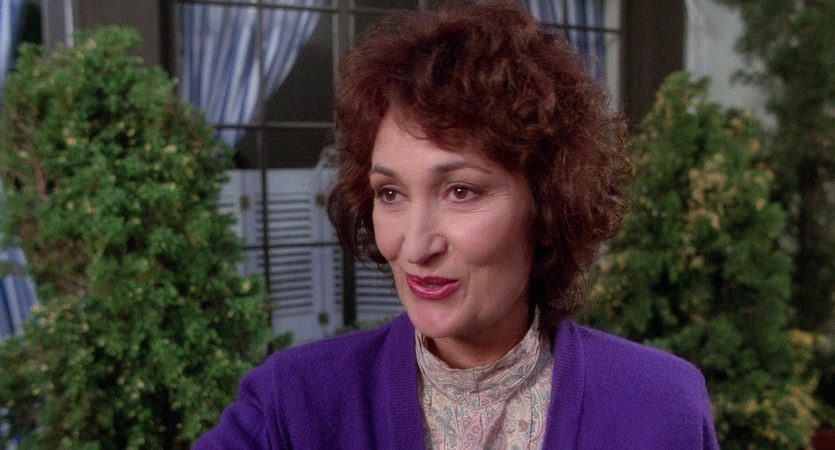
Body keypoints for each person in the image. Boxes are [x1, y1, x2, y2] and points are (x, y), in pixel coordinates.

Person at [194, 1, 720, 448]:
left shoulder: (659, 406)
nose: (416, 246)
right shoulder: (290, 406)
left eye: (460, 191)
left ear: (547, 203)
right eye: (390, 194)